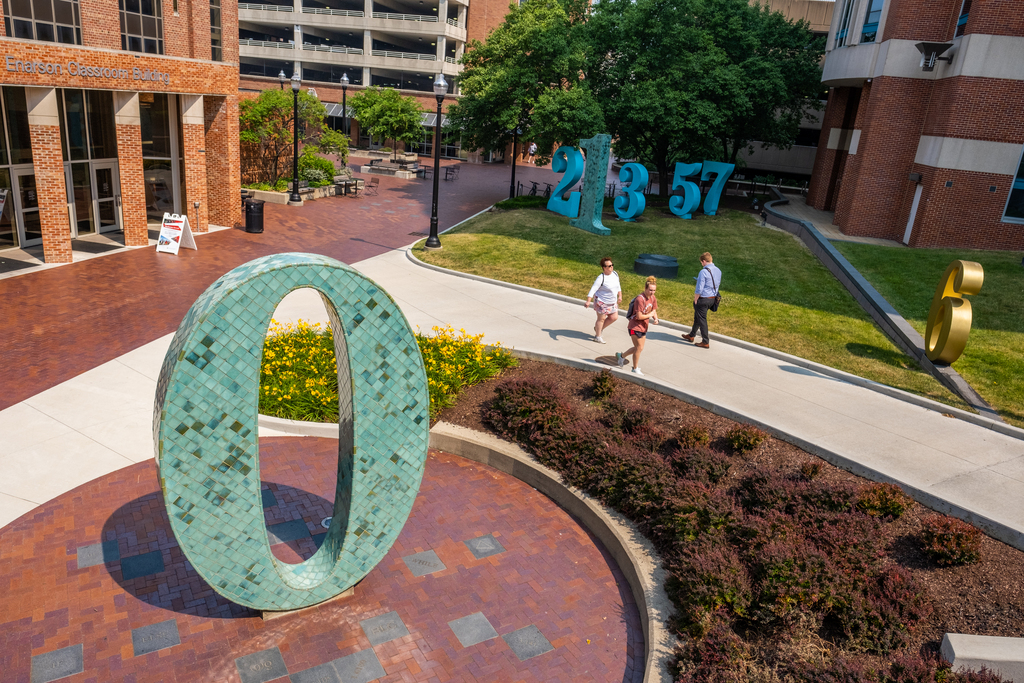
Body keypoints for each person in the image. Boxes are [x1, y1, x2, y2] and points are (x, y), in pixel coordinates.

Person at [616, 276, 659, 376]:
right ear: (645, 288)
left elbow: (653, 310)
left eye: (654, 290)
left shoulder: (652, 298)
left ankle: (621, 356)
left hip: (644, 326)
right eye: (650, 290)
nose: (652, 292)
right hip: (634, 327)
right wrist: (650, 315)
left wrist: (655, 318)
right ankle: (635, 369)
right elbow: (639, 316)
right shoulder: (640, 299)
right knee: (639, 347)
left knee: (639, 348)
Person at [682, 252, 722, 349]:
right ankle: (691, 335)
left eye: (701, 262)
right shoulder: (718, 270)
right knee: (698, 317)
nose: (701, 264)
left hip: (703, 299)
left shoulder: (703, 272)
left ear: (704, 261)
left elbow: (699, 288)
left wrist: (696, 299)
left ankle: (705, 341)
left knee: (702, 319)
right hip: (712, 299)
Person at [584, 257, 621, 344]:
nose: (611, 267)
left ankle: (598, 329)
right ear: (604, 268)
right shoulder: (601, 278)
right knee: (601, 319)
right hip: (602, 301)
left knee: (614, 317)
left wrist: (620, 295)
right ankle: (598, 336)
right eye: (609, 266)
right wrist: (588, 300)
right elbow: (593, 289)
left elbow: (618, 285)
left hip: (612, 302)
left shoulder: (615, 274)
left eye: (612, 265)